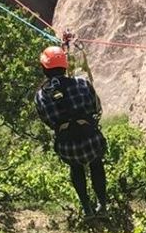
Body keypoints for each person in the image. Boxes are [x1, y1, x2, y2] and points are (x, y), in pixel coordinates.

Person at [33, 44, 108, 217]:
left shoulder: (40, 96)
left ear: (44, 68)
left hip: (67, 146)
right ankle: (102, 205)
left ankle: (86, 207)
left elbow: (47, 120)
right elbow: (96, 108)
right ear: (65, 65)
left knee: (76, 167)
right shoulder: (82, 83)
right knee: (96, 163)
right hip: (91, 140)